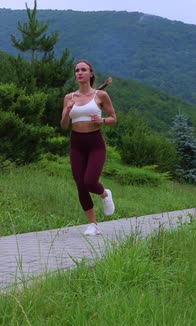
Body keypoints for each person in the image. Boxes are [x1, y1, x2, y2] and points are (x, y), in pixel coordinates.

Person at [60, 60, 117, 236]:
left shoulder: (100, 95)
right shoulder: (69, 98)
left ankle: (105, 194)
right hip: (76, 144)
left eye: (83, 70)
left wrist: (102, 120)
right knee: (80, 185)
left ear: (91, 73)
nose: (79, 72)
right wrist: (68, 111)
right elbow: (63, 125)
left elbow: (113, 118)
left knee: (90, 182)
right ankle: (93, 224)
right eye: (77, 70)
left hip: (95, 143)